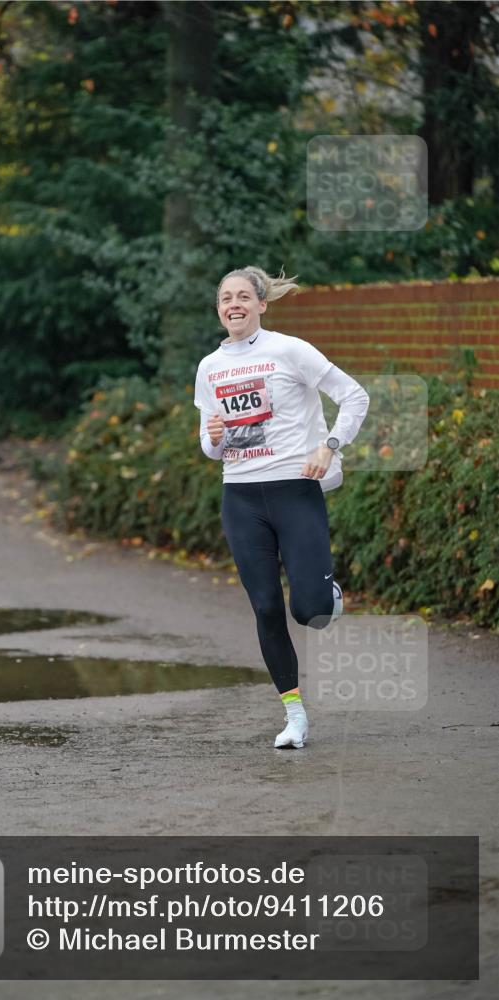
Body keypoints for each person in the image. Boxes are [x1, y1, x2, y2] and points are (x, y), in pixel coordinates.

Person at [194, 266, 370, 749]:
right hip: (241, 497)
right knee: (266, 607)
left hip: (295, 489)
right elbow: (213, 446)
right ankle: (294, 716)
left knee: (310, 611)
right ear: (219, 309)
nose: (234, 304)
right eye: (225, 297)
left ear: (261, 304)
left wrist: (329, 445)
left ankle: (327, 593)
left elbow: (355, 396)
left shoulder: (290, 350)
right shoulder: (210, 367)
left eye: (243, 297)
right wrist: (212, 439)